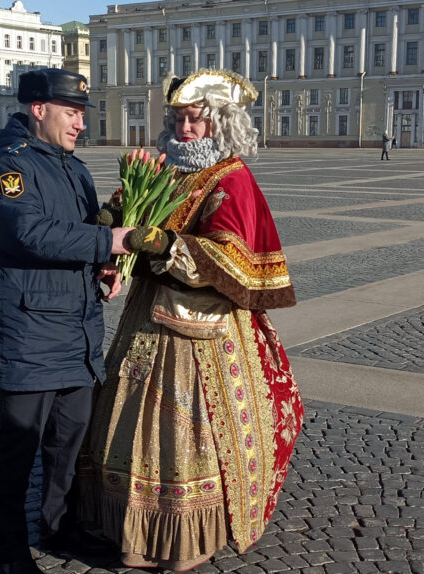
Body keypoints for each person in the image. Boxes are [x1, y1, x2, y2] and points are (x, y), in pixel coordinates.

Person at [80, 69, 304, 572]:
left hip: (202, 326)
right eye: (178, 119)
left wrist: (163, 244)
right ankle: (128, 529)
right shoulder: (168, 170)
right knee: (132, 414)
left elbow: (232, 255)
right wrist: (114, 220)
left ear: (220, 122)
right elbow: (132, 217)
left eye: (195, 119)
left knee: (184, 426)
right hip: (148, 313)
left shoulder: (232, 178)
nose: (185, 129)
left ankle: (184, 537)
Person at [0, 68, 132, 574]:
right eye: (72, 112)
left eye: (83, 113)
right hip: (29, 332)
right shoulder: (9, 167)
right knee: (17, 448)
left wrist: (106, 268)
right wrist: (111, 241)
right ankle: (12, 557)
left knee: (69, 444)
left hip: (76, 331)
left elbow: (82, 233)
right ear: (38, 110)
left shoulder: (73, 168)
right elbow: (29, 234)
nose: (81, 123)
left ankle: (59, 528)